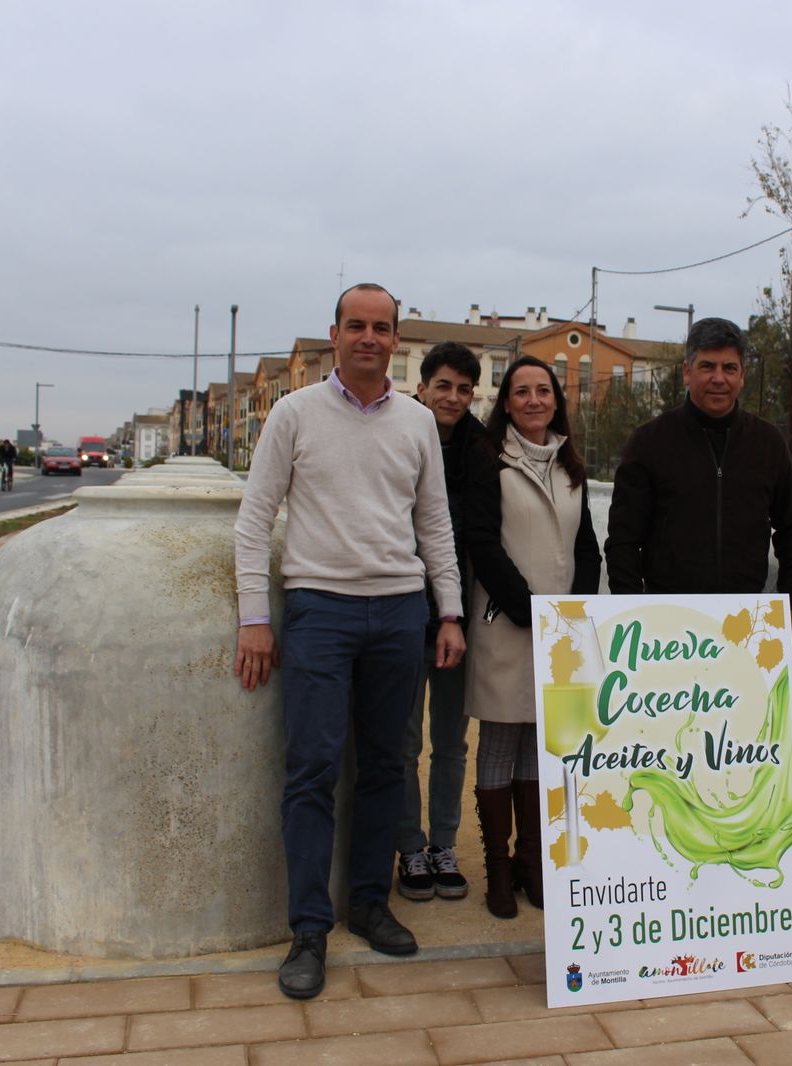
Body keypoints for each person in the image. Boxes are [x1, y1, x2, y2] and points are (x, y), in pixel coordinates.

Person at [232, 283, 465, 1000]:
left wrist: (448, 613)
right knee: (312, 767)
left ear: (397, 342)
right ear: (334, 334)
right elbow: (253, 519)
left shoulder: (418, 423)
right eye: (356, 325)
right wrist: (253, 618)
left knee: (387, 767)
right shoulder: (294, 414)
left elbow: (434, 525)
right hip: (320, 612)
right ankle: (309, 928)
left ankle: (368, 903)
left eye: (382, 327)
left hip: (399, 612)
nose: (369, 337)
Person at [463, 355, 600, 919]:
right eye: (522, 392)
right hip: (508, 621)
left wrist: (577, 607)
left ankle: (530, 863)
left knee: (540, 745)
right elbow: (481, 540)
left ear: (556, 399)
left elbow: (586, 542)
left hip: (559, 628)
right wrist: (527, 606)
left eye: (544, 390)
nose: (535, 400)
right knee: (500, 740)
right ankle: (497, 868)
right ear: (507, 402)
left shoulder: (571, 465)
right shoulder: (489, 459)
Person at [605, 317, 792, 664]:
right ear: (686, 371)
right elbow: (623, 541)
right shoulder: (649, 442)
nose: (718, 378)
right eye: (707, 366)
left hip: (745, 625)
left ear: (743, 375)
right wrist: (634, 610)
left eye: (729, 367)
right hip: (665, 628)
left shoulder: (767, 444)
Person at [396, 341, 485, 903]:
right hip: (403, 614)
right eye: (443, 386)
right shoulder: (397, 433)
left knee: (451, 742)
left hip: (460, 620)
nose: (452, 397)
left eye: (463, 388)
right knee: (403, 744)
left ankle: (444, 845)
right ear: (423, 386)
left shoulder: (484, 450)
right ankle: (410, 847)